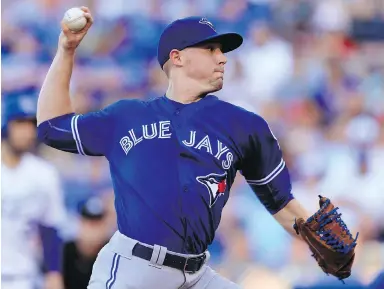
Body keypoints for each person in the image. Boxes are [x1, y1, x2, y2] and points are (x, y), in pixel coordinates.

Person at [37, 7, 310, 289]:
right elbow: (51, 126)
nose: (223, 58)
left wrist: (322, 242)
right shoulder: (127, 117)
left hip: (197, 274)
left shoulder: (243, 125)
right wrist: (66, 50)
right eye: (211, 49)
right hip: (135, 269)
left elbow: (281, 202)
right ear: (177, 57)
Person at [2, 92, 67, 289]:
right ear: (6, 125)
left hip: (23, 277)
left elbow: (50, 228)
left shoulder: (44, 174)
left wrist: (54, 272)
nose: (27, 131)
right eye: (20, 123)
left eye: (31, 124)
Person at [62, 197, 110, 289]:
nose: (93, 231)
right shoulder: (65, 252)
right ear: (80, 223)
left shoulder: (111, 253)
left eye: (97, 224)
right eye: (89, 223)